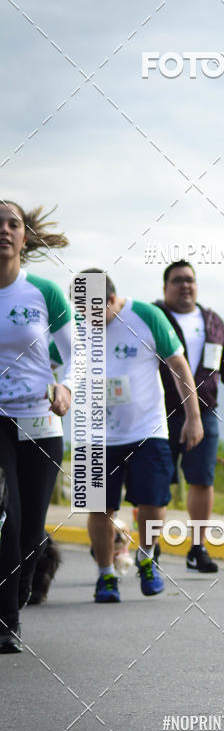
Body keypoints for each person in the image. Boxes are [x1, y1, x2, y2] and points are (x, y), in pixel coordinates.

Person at [81, 270, 203, 603]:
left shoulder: (146, 316)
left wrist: (193, 417)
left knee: (153, 502)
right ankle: (106, 576)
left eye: (95, 314)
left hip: (148, 430)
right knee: (99, 508)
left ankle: (146, 558)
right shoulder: (76, 323)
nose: (89, 322)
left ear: (111, 300)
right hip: (95, 433)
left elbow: (179, 365)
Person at [0, 201, 71, 652]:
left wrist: (64, 386)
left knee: (29, 530)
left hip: (41, 421)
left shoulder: (44, 292)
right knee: (5, 518)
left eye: (13, 224)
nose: (4, 230)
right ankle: (6, 622)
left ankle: (23, 580)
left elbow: (75, 352)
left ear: (25, 238)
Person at [154, 260, 224, 574]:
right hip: (158, 411)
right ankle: (149, 545)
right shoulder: (153, 317)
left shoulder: (212, 320)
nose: (185, 285)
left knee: (202, 479)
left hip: (204, 410)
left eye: (189, 279)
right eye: (177, 280)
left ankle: (197, 548)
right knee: (156, 480)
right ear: (165, 287)